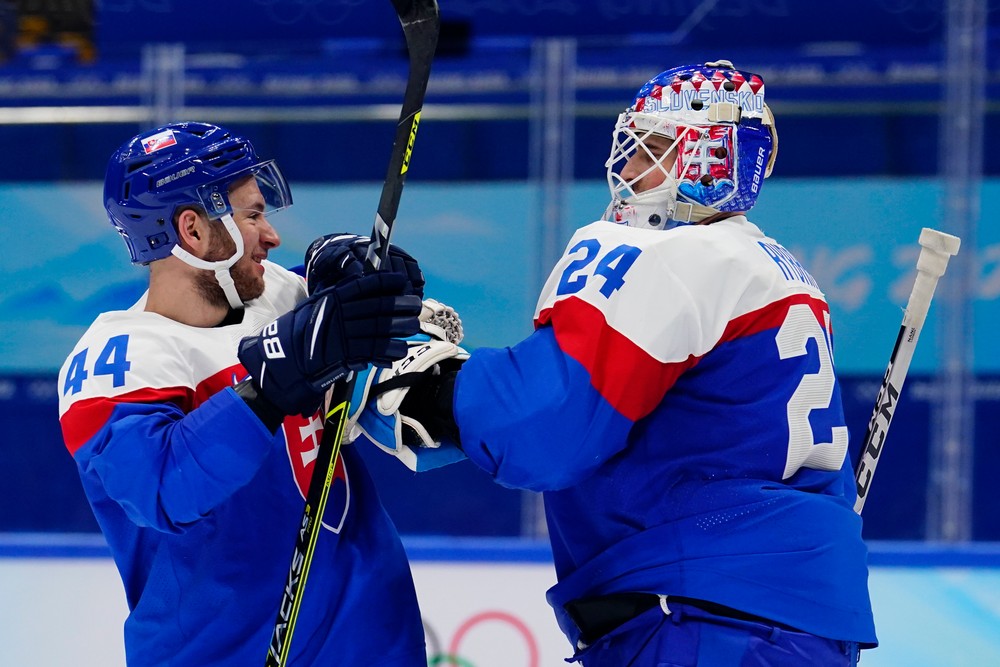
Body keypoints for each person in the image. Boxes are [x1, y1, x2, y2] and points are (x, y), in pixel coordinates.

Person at [352, 60, 879, 665]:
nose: (626, 169)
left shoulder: (673, 255)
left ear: (709, 163)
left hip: (705, 622)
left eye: (651, 148)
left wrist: (418, 381)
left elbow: (544, 430)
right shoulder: (776, 269)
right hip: (786, 620)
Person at [57, 121, 430, 666]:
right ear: (191, 230)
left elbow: (336, 338)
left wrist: (349, 272)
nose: (272, 235)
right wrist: (276, 384)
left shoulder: (279, 294)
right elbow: (163, 488)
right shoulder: (115, 359)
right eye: (253, 215)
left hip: (371, 637)